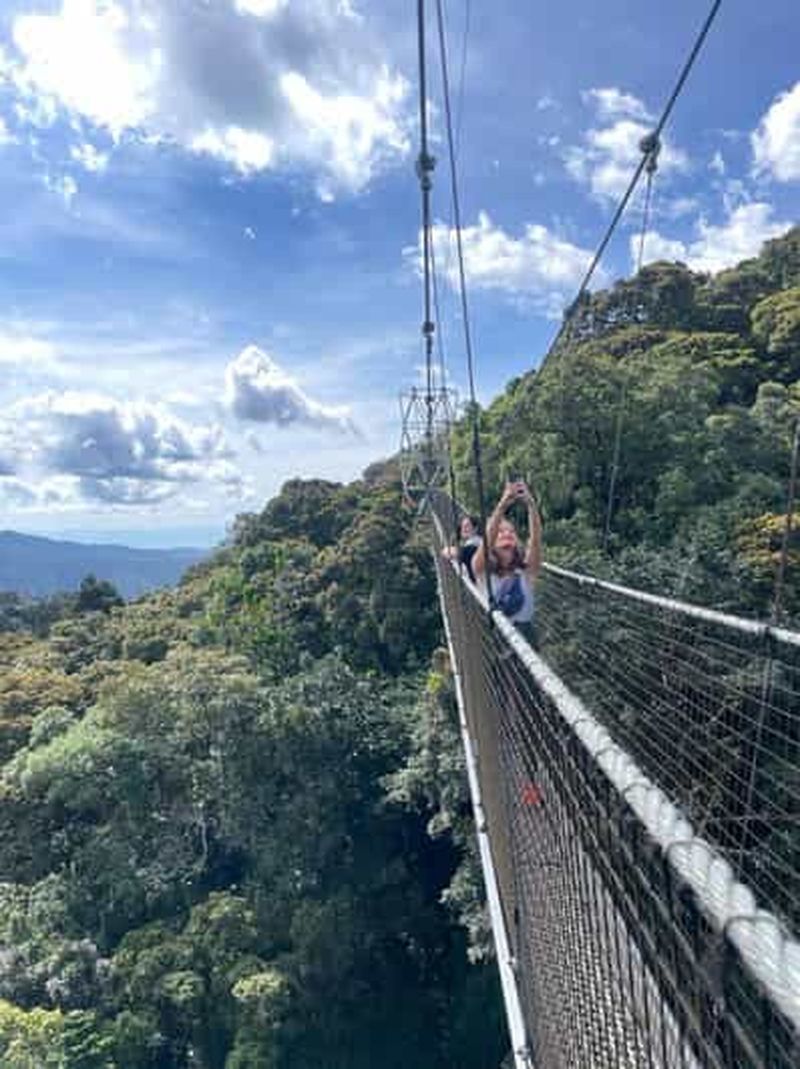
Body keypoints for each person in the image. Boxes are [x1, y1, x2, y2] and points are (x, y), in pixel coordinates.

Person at [471, 481, 541, 640]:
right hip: (494, 644)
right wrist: (502, 506)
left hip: (526, 646)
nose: (507, 534)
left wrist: (531, 505)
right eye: (501, 532)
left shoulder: (525, 571)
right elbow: (488, 540)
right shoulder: (482, 570)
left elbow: (535, 540)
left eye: (511, 531)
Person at [442, 514, 482, 582]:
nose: (463, 529)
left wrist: (448, 550)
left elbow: (447, 552)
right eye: (462, 526)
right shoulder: (478, 540)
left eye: (467, 526)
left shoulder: (474, 544)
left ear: (475, 528)